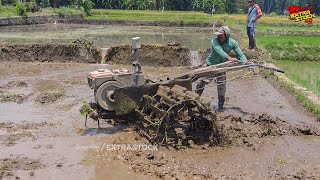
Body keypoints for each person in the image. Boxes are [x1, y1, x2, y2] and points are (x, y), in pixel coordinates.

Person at [195, 26, 247, 110]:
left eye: (221, 35)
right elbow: (219, 51)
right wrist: (229, 58)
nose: (219, 37)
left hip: (222, 67)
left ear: (226, 35)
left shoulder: (233, 43)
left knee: (222, 87)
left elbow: (240, 54)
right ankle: (195, 99)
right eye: (218, 35)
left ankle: (220, 106)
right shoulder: (214, 41)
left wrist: (246, 62)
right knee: (202, 82)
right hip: (211, 65)